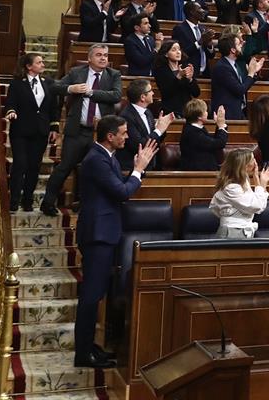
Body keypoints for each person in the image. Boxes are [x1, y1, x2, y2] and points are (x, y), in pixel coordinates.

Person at [71, 115, 156, 368]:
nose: (127, 137)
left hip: (105, 232)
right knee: (91, 295)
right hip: (97, 235)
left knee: (96, 293)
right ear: (110, 136)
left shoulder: (105, 157)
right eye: (124, 132)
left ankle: (89, 347)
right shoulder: (96, 160)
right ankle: (83, 354)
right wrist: (138, 170)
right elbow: (122, 192)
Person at [40, 44, 123, 216]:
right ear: (89, 58)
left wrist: (91, 92)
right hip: (77, 130)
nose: (103, 58)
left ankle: (83, 204)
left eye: (106, 55)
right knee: (65, 167)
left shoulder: (113, 75)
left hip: (100, 135)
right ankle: (47, 203)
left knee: (94, 170)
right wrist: (71, 89)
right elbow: (54, 87)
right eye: (99, 55)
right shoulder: (77, 72)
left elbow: (116, 95)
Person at [4, 54, 58, 212]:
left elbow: (53, 108)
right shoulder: (16, 84)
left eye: (42, 62)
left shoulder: (48, 83)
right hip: (21, 130)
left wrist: (54, 127)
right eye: (39, 62)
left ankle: (27, 200)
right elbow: (11, 103)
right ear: (29, 66)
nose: (43, 64)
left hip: (40, 131)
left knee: (34, 166)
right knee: (20, 164)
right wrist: (11, 112)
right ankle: (14, 200)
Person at [208, 149, 269, 238]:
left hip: (241, 231)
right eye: (252, 159)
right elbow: (256, 205)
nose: (255, 162)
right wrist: (260, 182)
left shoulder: (244, 181)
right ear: (244, 166)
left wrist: (260, 181)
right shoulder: (231, 187)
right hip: (232, 232)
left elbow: (259, 208)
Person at [117, 79, 172, 173]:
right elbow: (139, 145)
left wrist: (162, 128)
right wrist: (158, 130)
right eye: (150, 91)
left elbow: (156, 140)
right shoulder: (126, 116)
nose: (153, 93)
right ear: (143, 97)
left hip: (149, 166)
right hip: (132, 168)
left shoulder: (148, 112)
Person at [179, 99, 229, 171]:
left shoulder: (197, 128)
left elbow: (213, 142)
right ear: (199, 116)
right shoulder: (192, 132)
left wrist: (219, 125)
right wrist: (221, 125)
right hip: (196, 174)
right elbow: (219, 143)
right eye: (205, 111)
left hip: (205, 169)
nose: (207, 113)